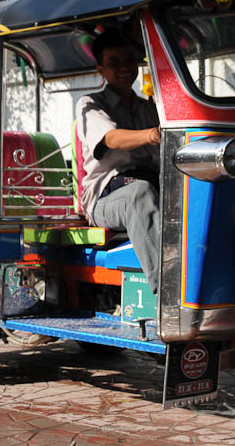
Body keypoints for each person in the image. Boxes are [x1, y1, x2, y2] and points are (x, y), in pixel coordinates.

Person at [75, 30, 161, 293]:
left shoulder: (149, 108)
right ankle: (167, 292)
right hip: (103, 199)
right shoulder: (90, 104)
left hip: (147, 182)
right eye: (114, 63)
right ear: (101, 69)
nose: (124, 68)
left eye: (129, 61)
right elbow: (110, 138)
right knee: (139, 195)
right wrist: (150, 134)